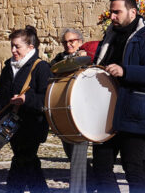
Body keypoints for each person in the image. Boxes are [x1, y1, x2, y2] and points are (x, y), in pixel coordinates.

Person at [92, 0, 145, 193]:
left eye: (117, 12)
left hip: (135, 113)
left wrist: (125, 71)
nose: (112, 17)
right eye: (111, 12)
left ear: (133, 12)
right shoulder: (110, 36)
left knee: (135, 170)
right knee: (100, 167)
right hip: (107, 113)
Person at [0, 25, 53, 193]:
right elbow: (1, 94)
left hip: (32, 125)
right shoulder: (9, 66)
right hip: (10, 124)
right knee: (28, 162)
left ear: (30, 47)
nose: (13, 50)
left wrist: (26, 99)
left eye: (17, 46)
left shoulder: (41, 67)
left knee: (22, 159)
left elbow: (47, 99)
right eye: (12, 46)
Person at [50, 28, 93, 193]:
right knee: (70, 152)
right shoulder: (59, 59)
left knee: (77, 154)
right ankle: (92, 181)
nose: (68, 45)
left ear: (80, 42)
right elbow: (51, 70)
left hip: (81, 113)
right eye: (65, 42)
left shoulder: (87, 59)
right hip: (63, 112)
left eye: (72, 41)